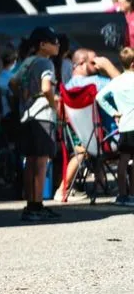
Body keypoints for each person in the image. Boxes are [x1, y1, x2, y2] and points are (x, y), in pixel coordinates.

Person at [55, 48, 120, 201]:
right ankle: (126, 190)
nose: (97, 65)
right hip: (105, 141)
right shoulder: (98, 83)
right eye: (94, 61)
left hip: (80, 141)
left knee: (93, 136)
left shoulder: (67, 88)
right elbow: (126, 87)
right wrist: (108, 66)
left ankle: (100, 184)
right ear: (82, 64)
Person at [9, 27, 60, 221]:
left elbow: (13, 83)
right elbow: (47, 87)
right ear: (43, 45)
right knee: (41, 162)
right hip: (42, 115)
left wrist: (24, 98)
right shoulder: (46, 62)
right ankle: (37, 205)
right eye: (54, 41)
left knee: (30, 161)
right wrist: (53, 105)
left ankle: (31, 203)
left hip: (27, 116)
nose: (57, 45)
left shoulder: (27, 62)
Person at [95, 48, 134, 207]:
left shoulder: (116, 82)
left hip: (124, 125)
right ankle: (132, 194)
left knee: (123, 161)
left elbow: (99, 97)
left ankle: (122, 195)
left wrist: (114, 113)